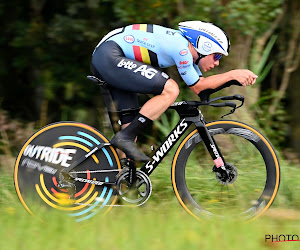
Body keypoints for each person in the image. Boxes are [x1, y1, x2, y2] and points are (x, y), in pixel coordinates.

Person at [91, 21, 257, 162]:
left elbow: (203, 90)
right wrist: (232, 74)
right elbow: (198, 86)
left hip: (111, 58)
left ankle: (118, 185)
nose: (217, 63)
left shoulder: (185, 50)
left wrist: (232, 80)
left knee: (129, 135)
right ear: (205, 46)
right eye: (217, 56)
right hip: (110, 55)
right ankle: (124, 138)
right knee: (171, 89)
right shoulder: (182, 49)